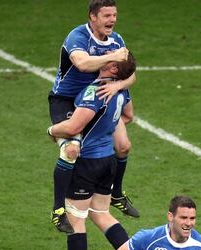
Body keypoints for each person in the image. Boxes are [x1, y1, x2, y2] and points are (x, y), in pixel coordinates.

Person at [48, 54, 140, 250]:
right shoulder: (120, 91)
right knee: (101, 214)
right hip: (108, 159)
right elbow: (128, 116)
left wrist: (51, 130)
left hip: (87, 163)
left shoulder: (96, 91)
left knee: (76, 219)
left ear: (112, 67)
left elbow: (74, 127)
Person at [49, 0, 139, 234]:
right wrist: (112, 58)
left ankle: (117, 193)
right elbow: (82, 63)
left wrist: (118, 84)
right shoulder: (78, 37)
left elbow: (132, 74)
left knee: (123, 146)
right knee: (71, 149)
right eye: (107, 15)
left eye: (115, 15)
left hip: (99, 94)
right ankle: (58, 210)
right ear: (93, 17)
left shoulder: (117, 40)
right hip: (68, 99)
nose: (112, 20)